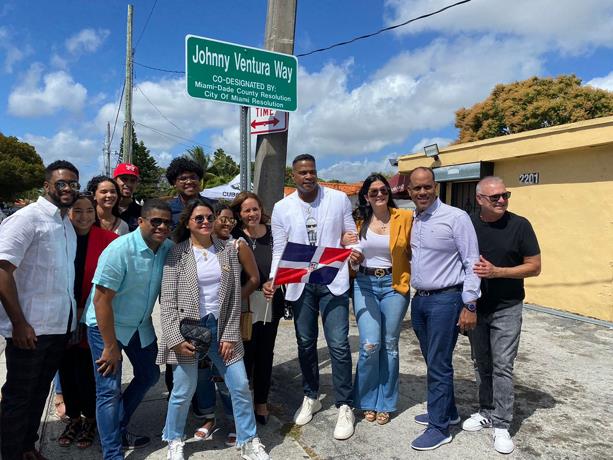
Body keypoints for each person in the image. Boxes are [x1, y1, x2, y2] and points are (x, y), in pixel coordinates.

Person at [158, 198, 269, 460]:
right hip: (188, 330)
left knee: (240, 384)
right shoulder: (177, 252)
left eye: (209, 217)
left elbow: (232, 298)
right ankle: (173, 438)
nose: (206, 222)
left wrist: (230, 334)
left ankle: (249, 439)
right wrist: (174, 338)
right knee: (183, 390)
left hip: (221, 328)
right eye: (199, 218)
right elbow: (168, 300)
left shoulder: (228, 250)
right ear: (188, 223)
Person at [263, 154, 360, 440]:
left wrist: (353, 250)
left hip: (332, 281)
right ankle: (311, 395)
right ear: (293, 176)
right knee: (305, 344)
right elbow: (279, 247)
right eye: (302, 172)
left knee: (339, 345)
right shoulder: (282, 207)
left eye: (312, 171)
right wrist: (274, 277)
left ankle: (344, 404)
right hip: (300, 284)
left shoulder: (339, 199)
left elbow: (350, 234)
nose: (308, 176)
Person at [0, 160, 80, 460]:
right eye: (62, 183)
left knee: (38, 394)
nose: (68, 188)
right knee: (18, 398)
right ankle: (10, 453)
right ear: (46, 185)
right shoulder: (26, 219)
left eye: (73, 183)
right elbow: (2, 270)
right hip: (29, 330)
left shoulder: (65, 224)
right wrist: (18, 323)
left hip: (58, 329)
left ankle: (26, 448)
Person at [85, 199, 173, 459]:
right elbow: (100, 299)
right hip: (107, 327)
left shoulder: (167, 248)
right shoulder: (120, 249)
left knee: (149, 375)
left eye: (167, 222)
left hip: (140, 326)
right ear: (141, 221)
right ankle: (112, 453)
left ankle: (117, 427)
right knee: (108, 391)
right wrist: (110, 346)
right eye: (155, 221)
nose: (161, 226)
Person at [463, 177, 541, 454]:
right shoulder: (468, 224)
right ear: (480, 199)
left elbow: (534, 267)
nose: (501, 200)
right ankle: (486, 410)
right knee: (480, 362)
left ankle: (502, 423)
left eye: (505, 195)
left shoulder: (520, 225)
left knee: (503, 365)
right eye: (494, 197)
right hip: (476, 307)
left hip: (507, 306)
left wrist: (498, 272)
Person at [407, 166, 481, 451]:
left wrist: (470, 303)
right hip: (420, 300)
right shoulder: (413, 218)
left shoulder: (456, 217)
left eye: (427, 187)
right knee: (433, 361)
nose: (422, 192)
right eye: (417, 188)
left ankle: (439, 427)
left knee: (438, 364)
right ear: (410, 191)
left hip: (446, 300)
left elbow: (472, 261)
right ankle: (447, 412)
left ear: (435, 187)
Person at [344, 174, 413, 426]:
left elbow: (418, 247)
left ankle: (385, 402)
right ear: (366, 196)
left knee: (390, 345)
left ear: (389, 192)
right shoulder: (358, 220)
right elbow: (346, 247)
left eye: (383, 190)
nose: (379, 195)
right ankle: (365, 399)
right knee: (370, 345)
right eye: (373, 192)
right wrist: (351, 258)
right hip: (365, 284)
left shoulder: (404, 218)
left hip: (395, 285)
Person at [191, 202, 259, 444]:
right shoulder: (193, 246)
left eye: (231, 219)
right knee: (201, 373)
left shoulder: (236, 245)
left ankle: (234, 421)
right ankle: (208, 418)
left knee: (227, 376)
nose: (227, 223)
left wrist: (233, 300)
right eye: (222, 218)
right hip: (198, 322)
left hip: (227, 321)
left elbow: (254, 278)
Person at [57, 193, 118, 449]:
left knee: (87, 371)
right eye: (77, 211)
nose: (83, 216)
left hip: (92, 315)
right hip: (62, 315)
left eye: (88, 211)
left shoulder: (108, 240)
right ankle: (73, 418)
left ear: (95, 214)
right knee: (66, 369)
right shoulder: (60, 238)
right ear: (68, 213)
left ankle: (91, 418)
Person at [231, 191, 286, 425]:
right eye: (246, 210)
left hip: (269, 302)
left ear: (261, 210)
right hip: (243, 302)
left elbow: (285, 263)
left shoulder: (275, 234)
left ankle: (261, 402)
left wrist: (276, 281)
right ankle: (243, 402)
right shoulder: (233, 236)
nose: (252, 214)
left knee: (265, 353)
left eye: (255, 209)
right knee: (245, 354)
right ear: (239, 214)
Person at [165, 157, 204, 227]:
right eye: (183, 178)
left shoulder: (213, 206)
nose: (189, 182)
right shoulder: (167, 210)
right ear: (174, 183)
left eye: (193, 178)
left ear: (199, 181)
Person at [113, 162, 142, 232]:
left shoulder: (142, 212)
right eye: (124, 179)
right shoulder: (107, 209)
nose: (128, 184)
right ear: (115, 181)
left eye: (133, 181)